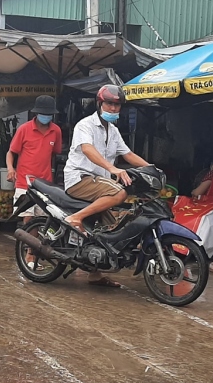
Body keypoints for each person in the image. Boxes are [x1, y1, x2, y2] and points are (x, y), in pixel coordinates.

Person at [63, 84, 153, 288]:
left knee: (108, 229)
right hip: (80, 179)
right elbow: (87, 150)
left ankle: (94, 274)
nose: (113, 108)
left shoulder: (113, 131)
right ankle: (75, 218)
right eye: (109, 104)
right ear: (100, 103)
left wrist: (151, 168)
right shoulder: (84, 125)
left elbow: (127, 154)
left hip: (99, 183)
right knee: (120, 193)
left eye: (117, 105)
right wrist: (113, 169)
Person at [7, 95, 63, 222]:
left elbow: (54, 153)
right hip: (24, 182)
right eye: (43, 113)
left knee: (42, 219)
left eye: (49, 114)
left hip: (45, 184)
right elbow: (11, 152)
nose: (46, 116)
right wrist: (11, 169)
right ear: (37, 113)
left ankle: (34, 242)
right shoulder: (24, 129)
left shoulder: (56, 131)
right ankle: (27, 241)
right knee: (28, 217)